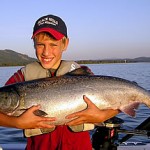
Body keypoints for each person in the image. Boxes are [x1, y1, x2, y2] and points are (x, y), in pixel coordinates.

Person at [4, 14, 119, 150]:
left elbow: (119, 102)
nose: (46, 52)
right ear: (34, 43)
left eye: (53, 45)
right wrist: (17, 123)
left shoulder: (84, 74)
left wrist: (102, 115)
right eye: (40, 45)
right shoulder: (21, 78)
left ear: (65, 44)